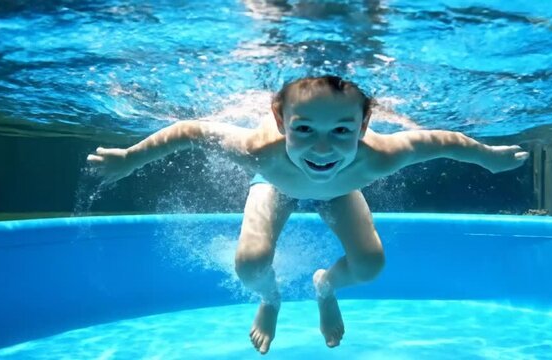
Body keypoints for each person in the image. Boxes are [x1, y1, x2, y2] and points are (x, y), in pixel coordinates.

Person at [87, 75, 529, 354]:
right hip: (276, 183)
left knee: (371, 265)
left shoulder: (380, 155)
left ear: (362, 125)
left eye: (341, 131)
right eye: (304, 130)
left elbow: (440, 142)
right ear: (281, 124)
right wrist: (128, 156)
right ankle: (270, 299)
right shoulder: (258, 151)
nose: (322, 148)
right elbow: (189, 131)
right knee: (250, 264)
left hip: (341, 190)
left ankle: (326, 286)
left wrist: (488, 156)